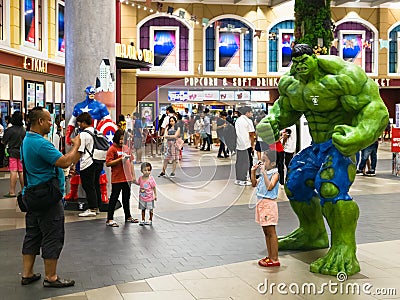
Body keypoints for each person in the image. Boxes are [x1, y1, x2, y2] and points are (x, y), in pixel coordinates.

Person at [256, 44, 389, 276]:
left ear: (315, 58)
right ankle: (313, 233)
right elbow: (285, 110)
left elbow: (375, 109)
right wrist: (272, 122)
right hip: (317, 147)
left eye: (304, 60)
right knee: (296, 182)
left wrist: (359, 134)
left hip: (339, 145)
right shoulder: (292, 84)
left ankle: (344, 247)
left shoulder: (343, 76)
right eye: (295, 62)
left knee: (330, 186)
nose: (300, 66)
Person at [21, 107, 81, 288]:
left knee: (32, 234)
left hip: (32, 195)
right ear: (39, 121)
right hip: (47, 197)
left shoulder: (27, 140)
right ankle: (51, 277)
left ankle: (27, 273)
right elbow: (63, 161)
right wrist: (76, 146)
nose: (50, 123)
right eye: (48, 120)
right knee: (53, 235)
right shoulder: (40, 143)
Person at [250, 149, 280, 267]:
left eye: (264, 160)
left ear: (272, 163)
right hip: (261, 204)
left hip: (269, 205)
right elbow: (254, 184)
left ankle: (275, 258)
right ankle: (270, 255)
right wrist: (253, 172)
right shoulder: (265, 173)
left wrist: (263, 173)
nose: (262, 163)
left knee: (271, 232)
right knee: (266, 232)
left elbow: (270, 187)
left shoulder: (275, 174)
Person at [105, 129, 138, 227]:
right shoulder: (112, 149)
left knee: (126, 198)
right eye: (120, 139)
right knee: (114, 198)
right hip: (117, 178)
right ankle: (110, 219)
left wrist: (133, 175)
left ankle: (128, 216)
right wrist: (120, 160)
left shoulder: (126, 148)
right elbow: (108, 163)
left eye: (123, 139)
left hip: (127, 178)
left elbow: (131, 161)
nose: (121, 141)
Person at [76, 112, 103, 217]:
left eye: (79, 123)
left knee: (88, 186)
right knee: (96, 184)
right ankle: (97, 206)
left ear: (83, 123)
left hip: (87, 163)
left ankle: (92, 208)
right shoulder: (96, 131)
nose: (79, 126)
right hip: (98, 161)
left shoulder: (83, 134)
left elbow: (80, 150)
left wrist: (74, 164)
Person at [2, 111, 26, 197]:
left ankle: (12, 192)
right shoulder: (24, 130)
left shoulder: (9, 130)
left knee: (13, 171)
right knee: (21, 171)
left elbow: (3, 141)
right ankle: (23, 190)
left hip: (12, 152)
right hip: (22, 153)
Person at [234, 106, 255, 186]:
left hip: (239, 144)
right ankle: (244, 179)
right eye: (251, 112)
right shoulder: (248, 121)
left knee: (239, 162)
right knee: (246, 162)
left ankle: (238, 179)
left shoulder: (238, 120)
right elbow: (251, 134)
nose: (251, 114)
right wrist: (252, 145)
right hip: (247, 144)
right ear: (247, 113)